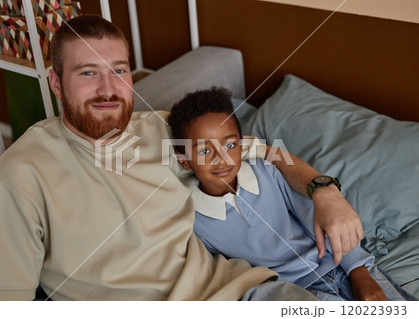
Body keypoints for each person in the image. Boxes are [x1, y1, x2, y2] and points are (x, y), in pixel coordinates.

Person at [0, 15, 358, 301]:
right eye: (88, 72)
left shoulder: (163, 131)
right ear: (56, 83)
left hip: (242, 293)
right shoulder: (21, 175)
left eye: (118, 71)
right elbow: (1, 302)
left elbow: (269, 152)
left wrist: (324, 191)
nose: (108, 89)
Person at [167, 86, 411, 301]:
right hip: (299, 294)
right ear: (185, 162)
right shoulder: (193, 219)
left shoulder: (269, 174)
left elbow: (326, 221)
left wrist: (359, 272)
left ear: (242, 145)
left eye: (230, 145)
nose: (222, 159)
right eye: (203, 151)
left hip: (344, 267)